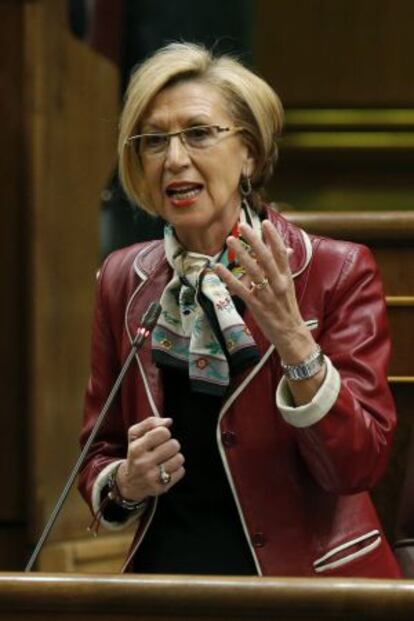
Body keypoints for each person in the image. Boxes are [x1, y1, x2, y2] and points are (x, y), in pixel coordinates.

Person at [78, 42, 401, 577]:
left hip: (307, 586)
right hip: (167, 584)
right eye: (154, 140)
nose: (174, 158)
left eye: (199, 133)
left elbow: (358, 464)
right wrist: (125, 482)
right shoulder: (122, 279)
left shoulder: (335, 272)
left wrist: (295, 339)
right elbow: (98, 451)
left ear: (248, 152)